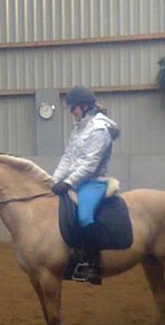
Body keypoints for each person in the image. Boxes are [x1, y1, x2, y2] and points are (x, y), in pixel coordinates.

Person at [51, 86, 120, 285]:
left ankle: (94, 266)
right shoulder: (78, 128)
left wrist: (68, 182)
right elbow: (67, 157)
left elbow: (90, 164)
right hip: (75, 181)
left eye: (73, 108)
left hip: (93, 182)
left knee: (84, 215)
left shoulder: (100, 129)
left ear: (84, 106)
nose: (71, 112)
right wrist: (53, 180)